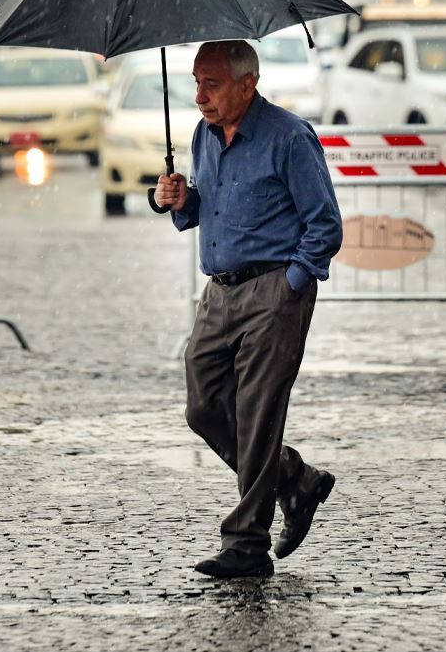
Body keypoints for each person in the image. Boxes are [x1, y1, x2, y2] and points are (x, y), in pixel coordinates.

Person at [154, 40, 343, 580]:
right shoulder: (203, 135)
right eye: (196, 83)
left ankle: (246, 544)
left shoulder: (289, 137)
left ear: (248, 83)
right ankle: (295, 480)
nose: (200, 96)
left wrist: (291, 284)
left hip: (272, 291)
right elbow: (207, 206)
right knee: (203, 406)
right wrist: (181, 200)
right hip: (219, 291)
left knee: (258, 413)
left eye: (211, 85)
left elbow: (325, 224)